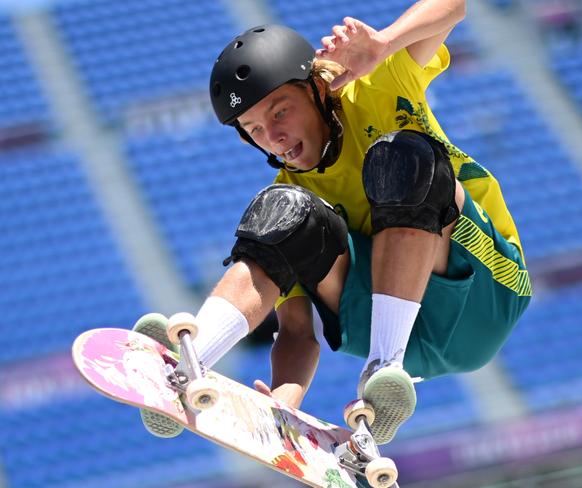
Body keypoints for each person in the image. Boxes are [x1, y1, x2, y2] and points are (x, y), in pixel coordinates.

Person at [135, 0, 532, 444]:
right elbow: (298, 331)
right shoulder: (292, 195)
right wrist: (283, 401)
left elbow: (454, 7)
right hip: (380, 325)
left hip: (483, 294)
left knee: (400, 155)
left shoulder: (377, 85)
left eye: (280, 111)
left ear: (317, 90)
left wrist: (383, 43)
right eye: (254, 129)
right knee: (282, 211)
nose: (274, 137)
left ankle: (384, 367)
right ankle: (184, 367)